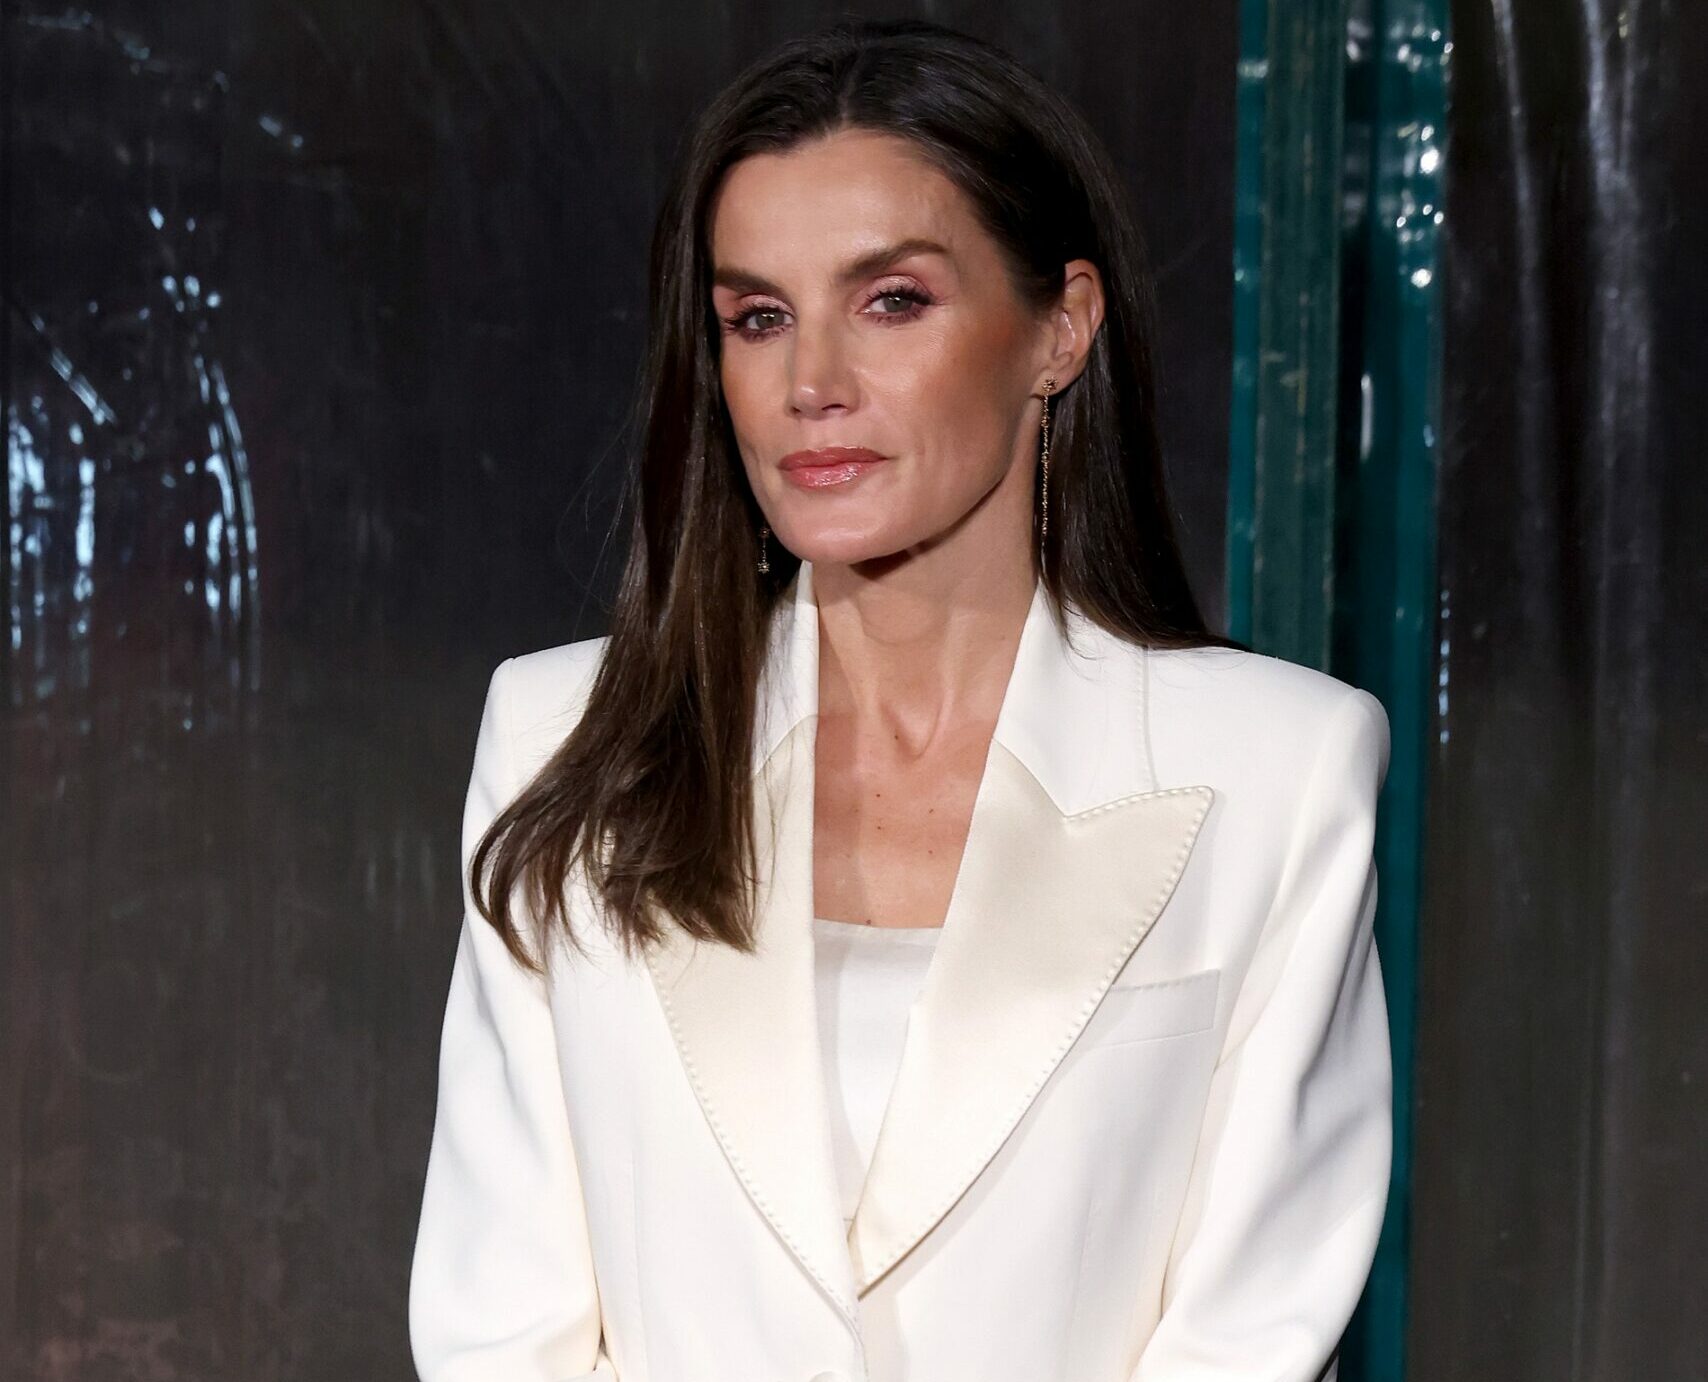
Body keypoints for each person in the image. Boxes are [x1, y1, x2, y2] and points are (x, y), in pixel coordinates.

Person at [408, 17, 1393, 1382]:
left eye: (891, 301)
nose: (811, 384)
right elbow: (498, 1332)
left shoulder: (1278, 773)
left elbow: (1256, 1335)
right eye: (758, 318)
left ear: (1060, 329)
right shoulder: (560, 745)